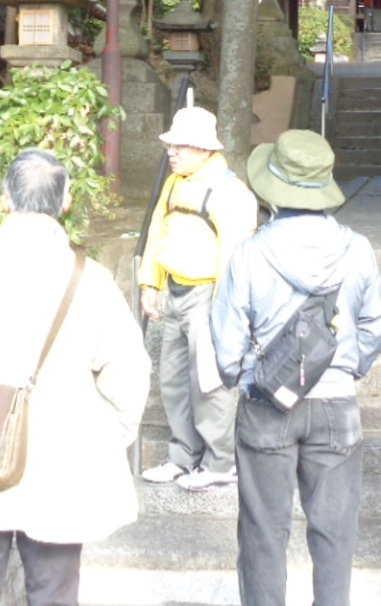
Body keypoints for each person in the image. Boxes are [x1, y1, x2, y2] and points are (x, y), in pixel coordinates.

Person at [0, 149, 150, 606]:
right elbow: (130, 370)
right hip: (63, 460)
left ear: (5, 200)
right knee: (55, 593)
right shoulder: (91, 280)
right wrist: (108, 436)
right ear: (66, 202)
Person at [211, 129, 381, 606]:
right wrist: (347, 368)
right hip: (336, 405)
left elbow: (226, 342)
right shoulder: (358, 249)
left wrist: (245, 376)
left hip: (267, 402)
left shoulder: (249, 253)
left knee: (263, 532)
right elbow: (376, 323)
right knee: (335, 533)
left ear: (274, 189)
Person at [137, 105, 259, 491]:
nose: (171, 152)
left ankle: (220, 462)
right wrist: (150, 283)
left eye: (181, 146)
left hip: (210, 294)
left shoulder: (230, 191)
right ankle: (182, 457)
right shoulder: (176, 182)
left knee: (210, 381)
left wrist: (227, 311)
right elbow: (158, 230)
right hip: (174, 288)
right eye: (171, 145)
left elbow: (236, 257)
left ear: (205, 150)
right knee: (172, 378)